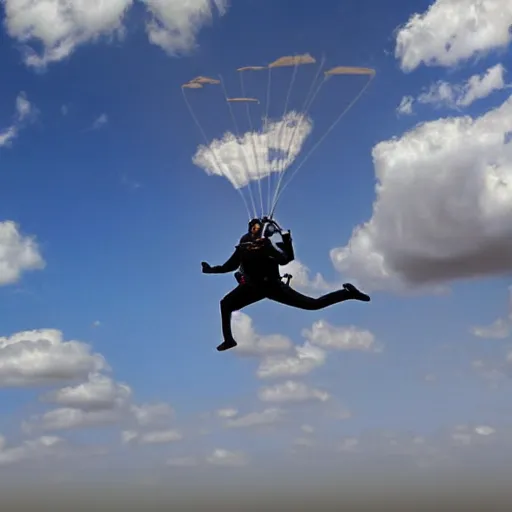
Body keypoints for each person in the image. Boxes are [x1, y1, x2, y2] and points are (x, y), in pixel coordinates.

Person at [201, 218, 370, 352]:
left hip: (273, 287)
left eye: (258, 228)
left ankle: (348, 293)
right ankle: (229, 340)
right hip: (251, 288)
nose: (255, 230)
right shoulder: (243, 247)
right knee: (225, 304)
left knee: (314, 304)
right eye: (252, 227)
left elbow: (286, 259)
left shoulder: (267, 246)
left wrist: (285, 241)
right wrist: (211, 270)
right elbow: (228, 266)